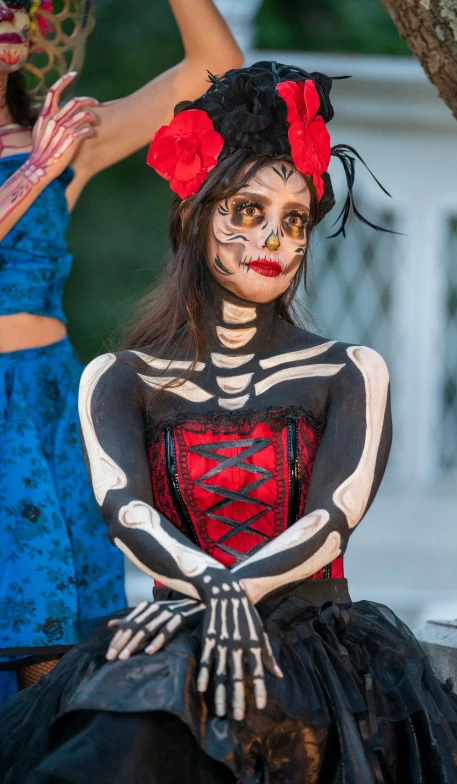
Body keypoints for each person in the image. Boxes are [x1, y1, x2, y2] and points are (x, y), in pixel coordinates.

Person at [0, 61, 457, 784]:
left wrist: (232, 594)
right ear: (196, 214)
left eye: (293, 219)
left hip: (314, 644)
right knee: (120, 736)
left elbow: (333, 518)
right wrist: (213, 591)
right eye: (247, 211)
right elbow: (126, 512)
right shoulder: (119, 377)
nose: (275, 239)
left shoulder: (349, 370)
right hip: (181, 624)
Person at [0, 0, 242, 702]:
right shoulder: (50, 150)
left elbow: (215, 70)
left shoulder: (63, 134)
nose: (12, 11)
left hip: (46, 405)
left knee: (58, 641)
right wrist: (35, 170)